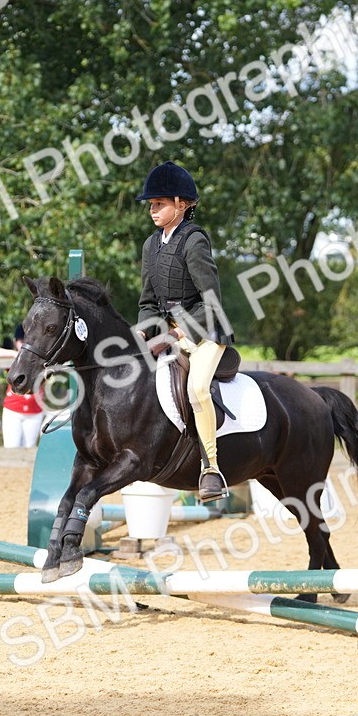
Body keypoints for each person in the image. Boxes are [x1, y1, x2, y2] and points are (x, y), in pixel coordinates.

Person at [135, 161, 235, 500]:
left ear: (181, 204)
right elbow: (148, 301)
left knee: (196, 391)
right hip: (169, 332)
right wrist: (144, 332)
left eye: (159, 204)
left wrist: (179, 332)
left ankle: (211, 469)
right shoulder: (151, 245)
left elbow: (211, 301)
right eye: (151, 205)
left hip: (205, 333)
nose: (153, 210)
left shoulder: (194, 241)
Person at [1, 323, 43, 448]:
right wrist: (14, 354)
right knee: (11, 446)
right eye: (21, 341)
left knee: (28, 448)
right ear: (16, 342)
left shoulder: (40, 359)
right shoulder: (14, 359)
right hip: (13, 409)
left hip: (34, 410)